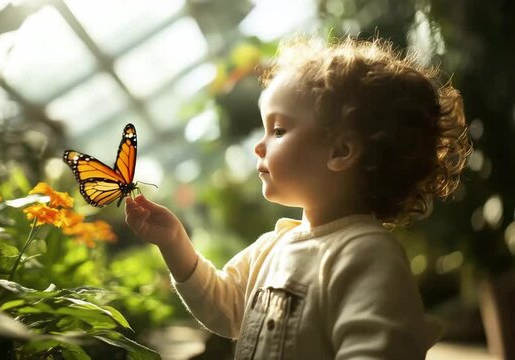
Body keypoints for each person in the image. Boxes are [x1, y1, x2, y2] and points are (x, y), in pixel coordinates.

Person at [125, 36, 472, 359]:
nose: (259, 146)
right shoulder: (272, 247)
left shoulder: (365, 255)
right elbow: (226, 308)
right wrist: (174, 243)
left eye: (278, 130)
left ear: (341, 150)